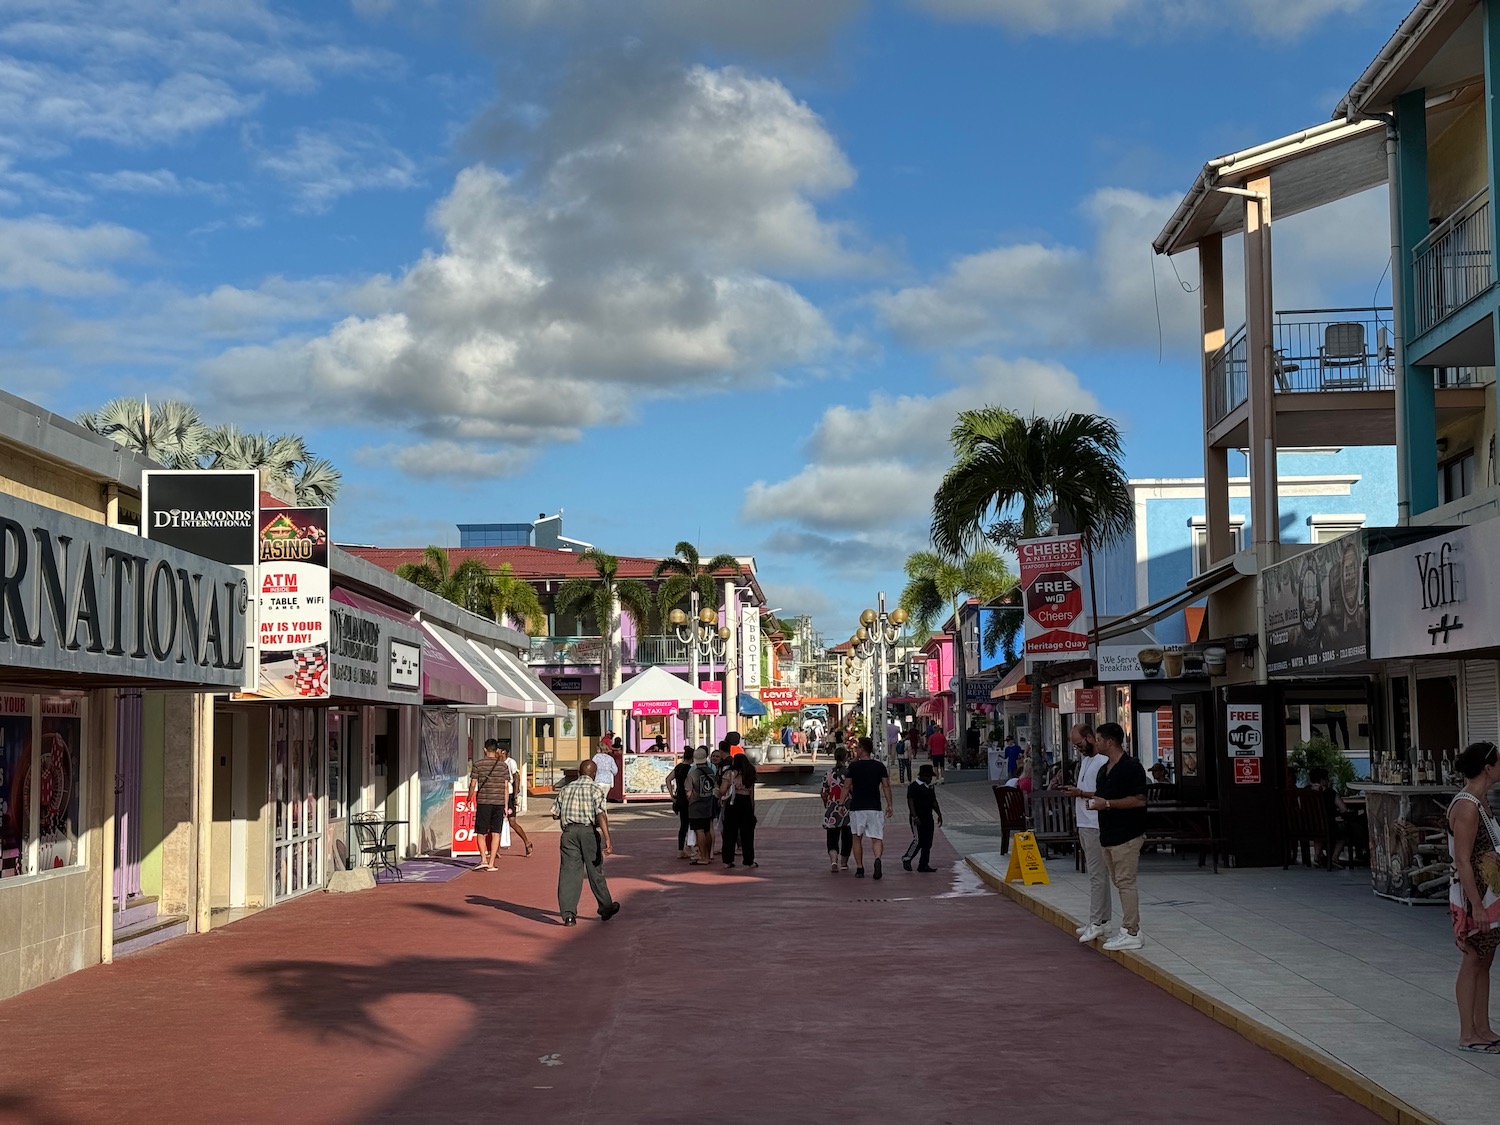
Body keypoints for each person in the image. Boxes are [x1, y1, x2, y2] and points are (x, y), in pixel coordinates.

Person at [1447, 741, 1500, 1052]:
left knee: (1485, 958)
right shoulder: (1467, 806)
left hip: (1488, 890)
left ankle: (1483, 1026)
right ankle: (1469, 1031)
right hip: (1474, 893)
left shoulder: (1481, 802)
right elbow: (1463, 859)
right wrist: (1476, 906)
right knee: (1472, 958)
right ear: (1488, 768)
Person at [1085, 722, 1148, 951]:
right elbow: (1102, 795)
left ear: (1110, 741)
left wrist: (1108, 804)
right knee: (1119, 882)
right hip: (1108, 835)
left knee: (1126, 882)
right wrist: (1090, 799)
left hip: (1127, 834)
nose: (1097, 743)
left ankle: (1132, 931)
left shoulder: (1131, 767)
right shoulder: (1104, 769)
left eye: (1099, 739)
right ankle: (1128, 928)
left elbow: (1140, 799)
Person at [1061, 724, 1112, 943]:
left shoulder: (1102, 761)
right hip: (1085, 822)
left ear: (1091, 738)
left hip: (1095, 823)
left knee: (1097, 875)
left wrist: (1080, 793)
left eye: (1080, 744)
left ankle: (1097, 921)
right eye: (1075, 746)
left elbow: (1103, 793)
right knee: (1097, 874)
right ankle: (1101, 919)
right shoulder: (1087, 761)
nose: (1079, 749)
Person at [552, 760, 619, 926]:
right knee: (594, 870)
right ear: (594, 774)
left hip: (569, 833)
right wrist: (608, 837)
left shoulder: (566, 789)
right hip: (588, 832)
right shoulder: (595, 789)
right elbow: (601, 815)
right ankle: (605, 907)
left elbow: (554, 813)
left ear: (578, 773)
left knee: (569, 872)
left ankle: (568, 915)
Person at [847, 736, 893, 879]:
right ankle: (877, 858)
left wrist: (842, 803)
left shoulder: (853, 767)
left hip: (857, 807)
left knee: (856, 838)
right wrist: (890, 804)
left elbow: (846, 786)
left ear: (861, 749)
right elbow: (886, 786)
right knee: (876, 838)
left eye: (857, 748)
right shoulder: (879, 766)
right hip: (874, 807)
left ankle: (860, 868)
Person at [466, 739, 510, 871]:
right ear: (496, 750)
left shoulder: (478, 765)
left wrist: (469, 798)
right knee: (496, 832)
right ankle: (491, 863)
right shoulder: (503, 766)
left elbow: (473, 784)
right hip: (499, 802)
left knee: (481, 832)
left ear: (485, 749)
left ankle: (483, 859)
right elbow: (506, 787)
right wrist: (506, 806)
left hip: (484, 801)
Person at [720, 753, 758, 868]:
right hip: (746, 803)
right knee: (747, 834)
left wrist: (720, 796)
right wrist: (752, 810)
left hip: (732, 803)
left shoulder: (729, 773)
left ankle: (727, 860)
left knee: (729, 833)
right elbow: (752, 795)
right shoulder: (749, 773)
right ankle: (749, 860)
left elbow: (722, 790)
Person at [496, 741, 533, 858]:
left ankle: (527, 843)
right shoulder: (495, 762)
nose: (495, 751)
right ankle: (495, 849)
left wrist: (516, 794)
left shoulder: (510, 762)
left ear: (503, 751)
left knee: (512, 822)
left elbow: (516, 777)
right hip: (497, 795)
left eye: (497, 749)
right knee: (496, 822)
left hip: (509, 794)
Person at [903, 763, 942, 872]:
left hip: (928, 817)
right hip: (917, 817)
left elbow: (934, 801)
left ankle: (923, 864)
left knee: (928, 842)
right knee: (918, 840)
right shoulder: (913, 786)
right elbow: (910, 802)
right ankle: (907, 858)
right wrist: (915, 816)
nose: (931, 779)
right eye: (929, 777)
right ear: (923, 776)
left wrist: (939, 814)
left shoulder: (930, 787)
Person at [821, 747, 853, 872]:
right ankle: (844, 863)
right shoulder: (849, 773)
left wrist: (827, 804)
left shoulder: (829, 773)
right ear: (846, 757)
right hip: (847, 809)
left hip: (832, 809)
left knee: (832, 838)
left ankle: (834, 861)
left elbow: (823, 793)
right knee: (847, 837)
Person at [684, 746, 717, 864]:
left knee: (699, 831)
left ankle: (703, 857)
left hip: (696, 807)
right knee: (707, 830)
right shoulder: (711, 771)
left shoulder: (692, 774)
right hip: (708, 804)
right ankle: (707, 855)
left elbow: (688, 793)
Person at [666, 747, 695, 859]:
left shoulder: (679, 767)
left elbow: (668, 779)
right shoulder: (692, 769)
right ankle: (690, 847)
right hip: (689, 798)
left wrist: (671, 794)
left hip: (680, 798)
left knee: (683, 825)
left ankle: (680, 850)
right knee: (692, 824)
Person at [592, 734, 619, 799]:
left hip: (598, 780)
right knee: (604, 799)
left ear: (598, 749)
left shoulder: (596, 757)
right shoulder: (610, 758)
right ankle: (603, 808)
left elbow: (593, 767)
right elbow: (615, 770)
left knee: (597, 799)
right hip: (607, 782)